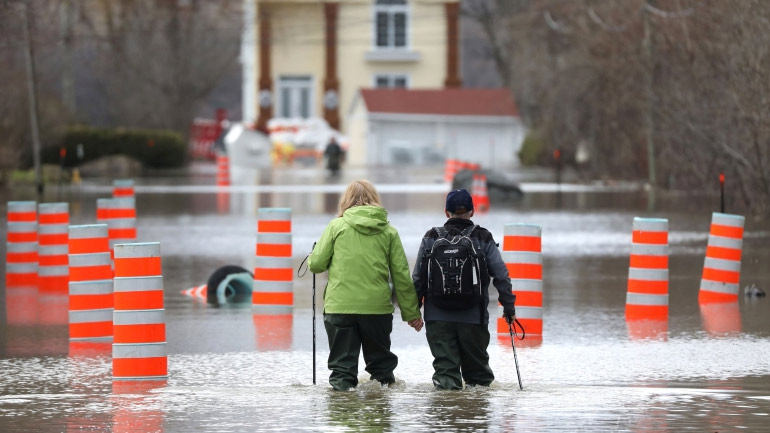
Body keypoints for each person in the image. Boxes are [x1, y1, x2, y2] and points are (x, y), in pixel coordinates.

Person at [309, 179, 424, 391]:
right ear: (374, 199)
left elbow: (316, 265)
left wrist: (314, 253)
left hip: (339, 308)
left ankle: (343, 417)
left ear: (345, 200)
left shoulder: (336, 227)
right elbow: (401, 275)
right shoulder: (389, 231)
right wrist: (412, 313)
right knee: (381, 370)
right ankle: (379, 417)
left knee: (342, 370)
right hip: (376, 309)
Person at [412, 188, 516, 390]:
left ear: (446, 212)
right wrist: (509, 308)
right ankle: (475, 417)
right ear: (473, 211)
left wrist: (413, 310)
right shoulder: (483, 237)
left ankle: (447, 416)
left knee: (445, 374)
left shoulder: (431, 237)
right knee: (478, 379)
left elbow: (418, 277)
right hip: (473, 318)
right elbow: (501, 276)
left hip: (437, 317)